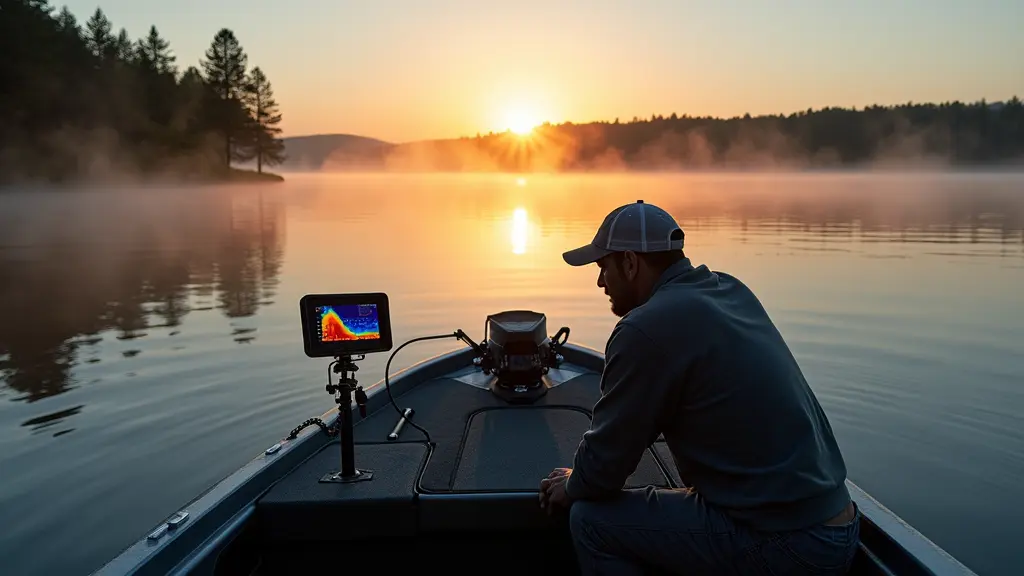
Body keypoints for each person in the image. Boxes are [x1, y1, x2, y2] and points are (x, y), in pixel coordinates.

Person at [538, 200, 860, 575]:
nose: (600, 281)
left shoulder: (644, 328)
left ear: (630, 263)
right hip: (840, 524)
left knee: (590, 519)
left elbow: (604, 467)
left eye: (603, 266)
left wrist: (573, 484)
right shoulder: (731, 290)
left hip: (789, 541)